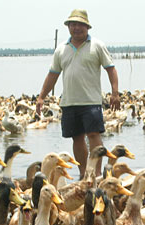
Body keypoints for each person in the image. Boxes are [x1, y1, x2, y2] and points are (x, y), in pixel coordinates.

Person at [36, 9, 120, 179]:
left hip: (91, 100)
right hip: (69, 101)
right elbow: (53, 74)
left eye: (80, 24)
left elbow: (110, 69)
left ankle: (96, 173)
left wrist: (115, 93)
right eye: (73, 24)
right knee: (77, 138)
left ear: (87, 27)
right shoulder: (61, 49)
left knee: (94, 135)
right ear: (68, 27)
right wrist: (41, 97)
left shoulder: (97, 45)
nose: (76, 28)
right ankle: (83, 174)